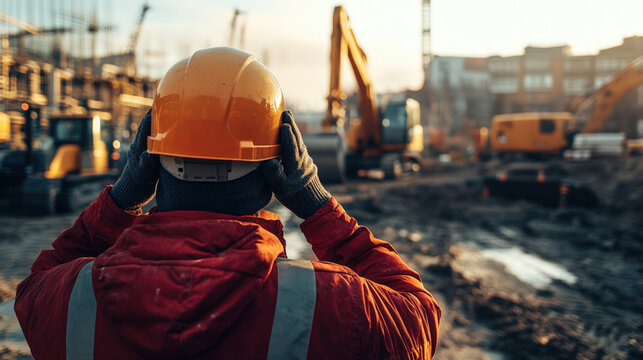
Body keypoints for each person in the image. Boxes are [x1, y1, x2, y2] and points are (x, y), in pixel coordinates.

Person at [15, 47, 440, 359]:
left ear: (151, 163)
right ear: (276, 167)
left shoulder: (72, 298)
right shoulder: (328, 301)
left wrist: (122, 197)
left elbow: (34, 283)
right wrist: (316, 204)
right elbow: (420, 321)